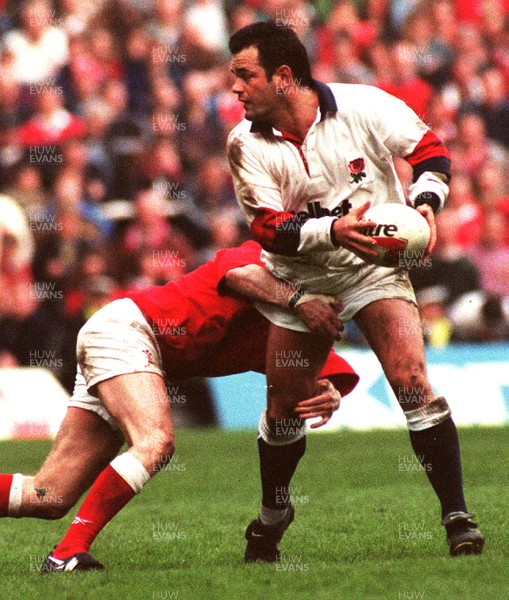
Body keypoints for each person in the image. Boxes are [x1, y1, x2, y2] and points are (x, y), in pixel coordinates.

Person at [227, 21, 484, 561]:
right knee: (282, 410)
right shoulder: (244, 143)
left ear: (282, 76)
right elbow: (268, 229)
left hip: (373, 272)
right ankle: (274, 512)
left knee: (412, 379)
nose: (235, 88)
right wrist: (334, 230)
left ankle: (457, 515)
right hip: (301, 281)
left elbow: (431, 150)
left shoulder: (364, 104)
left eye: (244, 75)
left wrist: (425, 205)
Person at [0, 240, 358, 572]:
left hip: (132, 351)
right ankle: (66, 554)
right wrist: (297, 298)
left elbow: (317, 380)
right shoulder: (268, 260)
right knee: (155, 443)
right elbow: (236, 274)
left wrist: (331, 395)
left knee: (48, 496)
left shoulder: (304, 322)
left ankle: (67, 551)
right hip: (128, 331)